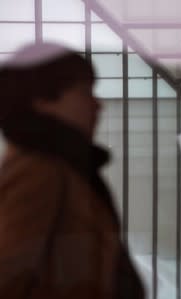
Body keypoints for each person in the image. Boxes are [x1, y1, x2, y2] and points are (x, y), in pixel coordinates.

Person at [0, 43, 145, 299]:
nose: (97, 105)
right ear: (43, 100)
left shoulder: (62, 167)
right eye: (84, 92)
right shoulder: (41, 171)